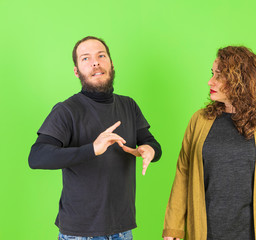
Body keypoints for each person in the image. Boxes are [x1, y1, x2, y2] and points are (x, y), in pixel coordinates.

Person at [28, 36, 162, 240]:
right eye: (85, 58)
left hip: (123, 230)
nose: (95, 62)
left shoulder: (129, 105)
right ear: (76, 71)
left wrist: (149, 150)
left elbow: (152, 144)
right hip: (80, 234)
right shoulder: (66, 110)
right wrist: (92, 149)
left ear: (111, 63)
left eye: (101, 55)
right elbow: (37, 157)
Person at [162, 46, 256, 240]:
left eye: (219, 76)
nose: (210, 81)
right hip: (205, 234)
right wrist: (173, 227)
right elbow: (183, 173)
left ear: (240, 80)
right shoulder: (199, 120)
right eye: (212, 74)